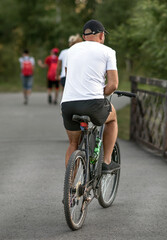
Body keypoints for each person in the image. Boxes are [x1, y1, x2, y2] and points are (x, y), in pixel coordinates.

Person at [61, 19, 120, 172]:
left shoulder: (71, 50)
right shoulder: (108, 51)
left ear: (84, 36)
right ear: (101, 35)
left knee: (73, 144)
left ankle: (69, 191)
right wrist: (100, 92)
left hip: (68, 104)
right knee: (112, 118)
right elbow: (113, 85)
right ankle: (106, 161)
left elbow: (69, 76)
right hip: (93, 103)